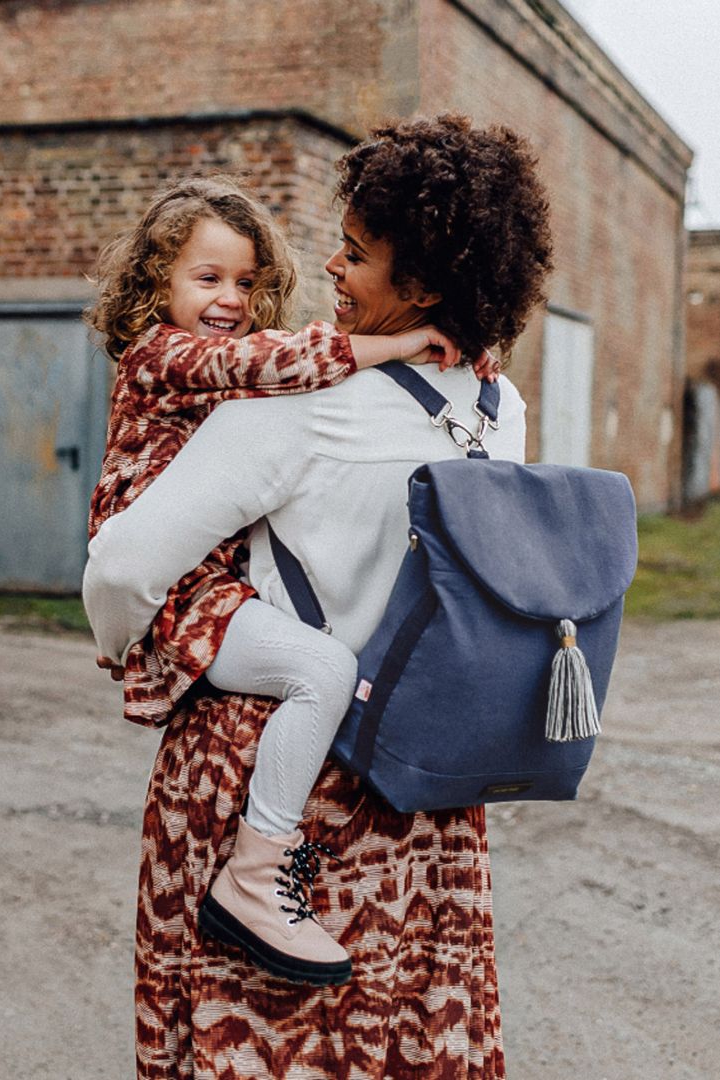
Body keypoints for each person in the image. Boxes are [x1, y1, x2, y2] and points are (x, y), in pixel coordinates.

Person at [84, 115, 553, 1078]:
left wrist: (132, 645)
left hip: (256, 771)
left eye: (354, 253)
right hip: (414, 782)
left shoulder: (295, 410)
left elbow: (121, 567)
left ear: (419, 287)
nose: (330, 270)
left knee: (248, 1038)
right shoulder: (498, 411)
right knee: (397, 1032)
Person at [86, 174, 472, 986]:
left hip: (213, 581)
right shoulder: (163, 352)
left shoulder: (241, 371)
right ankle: (255, 877)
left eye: (248, 282)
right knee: (321, 669)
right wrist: (406, 342)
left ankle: (258, 872)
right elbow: (277, 359)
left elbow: (284, 363)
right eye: (207, 278)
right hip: (185, 588)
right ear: (154, 283)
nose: (230, 298)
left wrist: (464, 355)